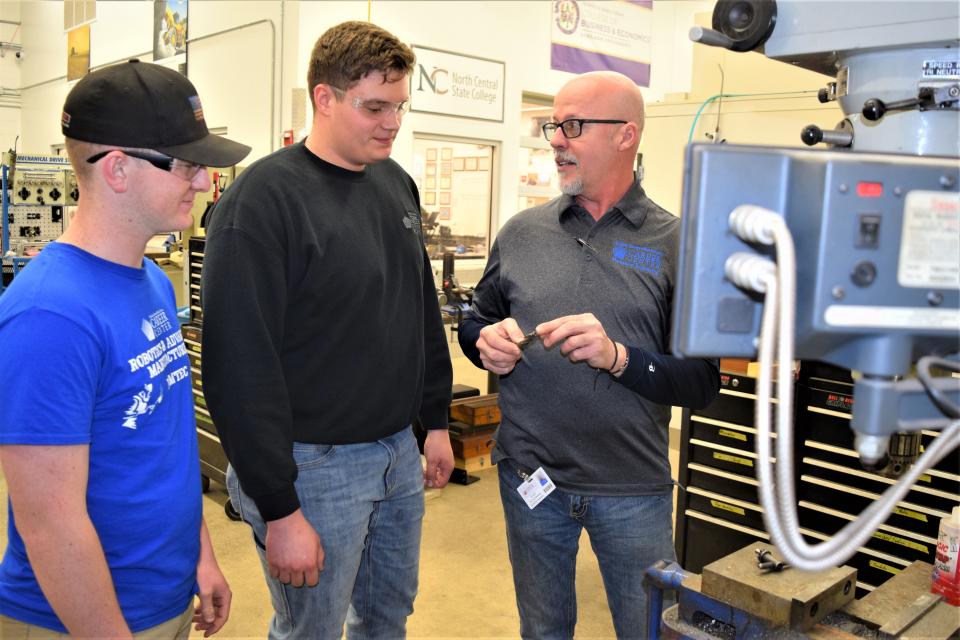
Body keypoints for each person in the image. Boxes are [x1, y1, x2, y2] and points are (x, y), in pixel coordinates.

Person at [200, 21, 454, 640]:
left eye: (399, 107)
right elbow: (238, 368)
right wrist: (280, 508)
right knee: (310, 630)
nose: (392, 123)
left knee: (388, 618)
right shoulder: (263, 201)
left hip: (397, 451)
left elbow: (417, 308)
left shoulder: (395, 184)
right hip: (312, 468)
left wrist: (437, 421)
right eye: (374, 107)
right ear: (324, 98)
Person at [458, 71, 721, 639]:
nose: (556, 139)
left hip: (632, 489)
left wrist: (620, 358)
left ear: (625, 136)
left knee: (647, 629)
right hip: (531, 479)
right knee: (543, 630)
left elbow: (703, 381)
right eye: (554, 125)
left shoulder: (678, 243)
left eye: (572, 126)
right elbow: (475, 318)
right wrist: (484, 343)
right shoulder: (522, 233)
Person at [0, 60, 250, 638]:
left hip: (161, 600)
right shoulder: (49, 317)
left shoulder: (152, 282)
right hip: (82, 620)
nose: (203, 182)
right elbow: (50, 524)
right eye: (186, 165)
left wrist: (200, 555)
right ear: (117, 169)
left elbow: (160, 444)